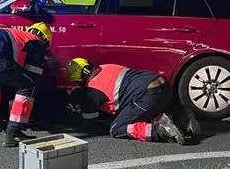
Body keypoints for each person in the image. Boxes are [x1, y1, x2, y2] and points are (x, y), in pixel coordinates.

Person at [66, 58, 202, 144]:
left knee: (116, 128)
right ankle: (179, 116)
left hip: (147, 95)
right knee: (138, 112)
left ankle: (158, 130)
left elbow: (90, 123)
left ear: (79, 80)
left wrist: (78, 115)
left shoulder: (92, 91)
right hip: (163, 87)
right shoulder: (107, 66)